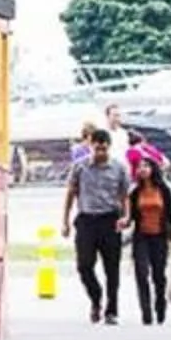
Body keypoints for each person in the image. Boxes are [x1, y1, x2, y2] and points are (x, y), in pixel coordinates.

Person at [61, 128, 127, 323]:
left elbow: (124, 196)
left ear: (109, 148)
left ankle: (111, 310)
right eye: (97, 149)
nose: (100, 153)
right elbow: (71, 193)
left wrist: (126, 216)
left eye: (104, 149)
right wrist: (65, 221)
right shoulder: (80, 167)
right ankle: (96, 297)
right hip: (87, 220)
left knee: (112, 268)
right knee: (84, 265)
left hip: (109, 219)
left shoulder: (118, 168)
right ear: (91, 146)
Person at [125, 148, 171, 325]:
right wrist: (124, 221)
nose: (142, 169)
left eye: (146, 166)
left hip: (159, 236)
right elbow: (130, 217)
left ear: (153, 169)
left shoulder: (164, 191)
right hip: (141, 236)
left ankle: (160, 305)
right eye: (140, 166)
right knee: (141, 273)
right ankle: (146, 311)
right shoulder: (135, 192)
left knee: (159, 275)